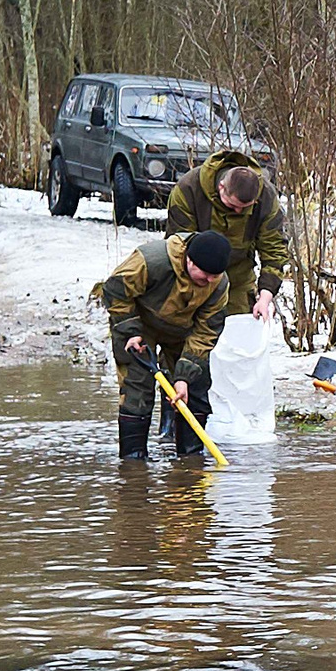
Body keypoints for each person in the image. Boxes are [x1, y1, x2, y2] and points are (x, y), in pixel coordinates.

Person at [100, 229, 232, 460]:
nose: (210, 281)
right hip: (139, 325)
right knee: (137, 389)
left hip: (183, 331)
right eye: (205, 274)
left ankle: (190, 460)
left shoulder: (219, 285)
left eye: (215, 275)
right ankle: (133, 462)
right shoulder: (151, 261)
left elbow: (205, 332)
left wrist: (183, 377)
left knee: (195, 387)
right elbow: (115, 290)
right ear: (189, 260)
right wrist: (130, 330)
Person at [165, 152, 290, 324]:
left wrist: (265, 295)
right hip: (193, 278)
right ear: (221, 187)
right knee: (189, 339)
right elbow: (177, 245)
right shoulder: (189, 189)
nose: (238, 211)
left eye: (244, 208)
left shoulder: (265, 197)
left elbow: (274, 249)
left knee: (238, 342)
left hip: (238, 280)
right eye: (232, 205)